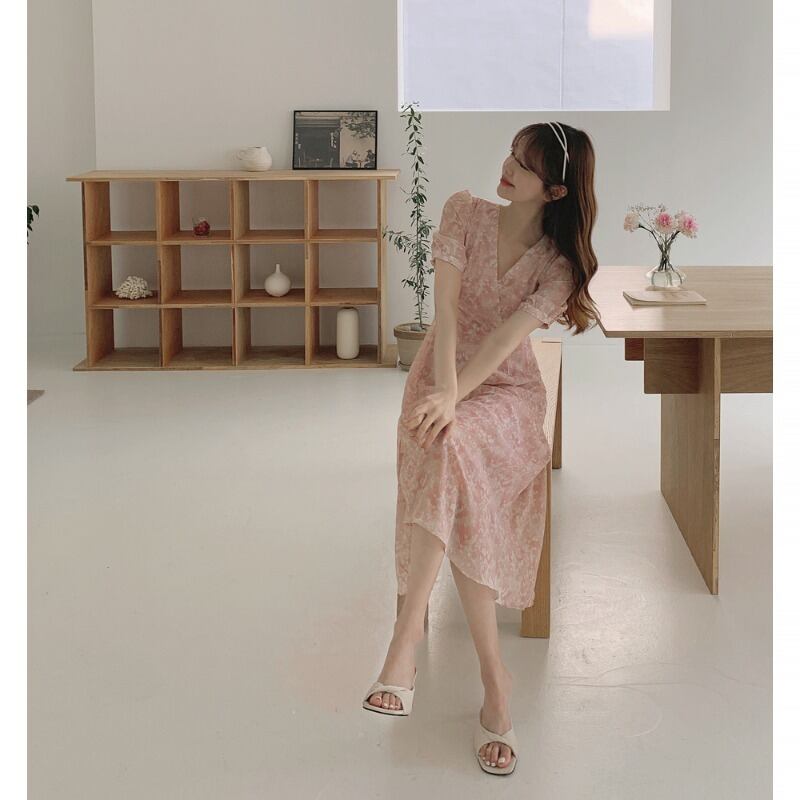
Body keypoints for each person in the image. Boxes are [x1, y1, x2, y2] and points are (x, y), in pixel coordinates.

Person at [362, 122, 599, 774]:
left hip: (505, 392)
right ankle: (496, 684)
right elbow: (444, 314)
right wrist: (444, 393)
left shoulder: (556, 268)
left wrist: (458, 399)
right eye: (511, 155)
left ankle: (405, 641)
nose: (507, 168)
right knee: (449, 444)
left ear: (554, 190)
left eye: (524, 166)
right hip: (439, 375)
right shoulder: (463, 212)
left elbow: (501, 344)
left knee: (455, 445)